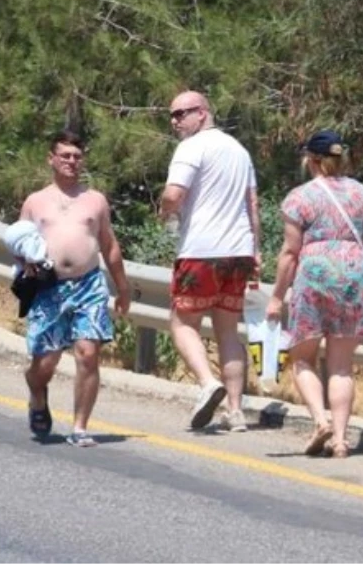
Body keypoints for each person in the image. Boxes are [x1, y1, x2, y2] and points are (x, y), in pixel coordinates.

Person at [266, 130, 363, 458]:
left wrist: (276, 297)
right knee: (342, 366)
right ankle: (342, 440)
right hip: (354, 276)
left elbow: (290, 252)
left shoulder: (300, 198)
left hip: (315, 272)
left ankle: (320, 420)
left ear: (311, 161)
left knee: (302, 357)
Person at [18, 130, 131, 447]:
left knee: (88, 354)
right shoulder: (35, 202)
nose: (71, 161)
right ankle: (37, 394)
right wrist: (24, 262)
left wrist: (122, 288)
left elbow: (109, 246)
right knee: (45, 364)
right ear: (51, 159)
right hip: (49, 289)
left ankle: (80, 427)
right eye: (65, 155)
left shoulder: (94, 200)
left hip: (89, 286)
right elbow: (19, 243)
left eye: (77, 156)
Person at [159, 90, 261, 432]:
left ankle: (207, 383)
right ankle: (235, 411)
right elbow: (252, 205)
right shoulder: (239, 151)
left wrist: (164, 212)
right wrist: (256, 250)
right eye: (172, 115)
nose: (175, 122)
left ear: (202, 113)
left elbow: (174, 194)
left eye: (181, 114)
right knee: (228, 331)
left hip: (201, 250)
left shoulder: (191, 147)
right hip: (238, 252)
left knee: (182, 322)